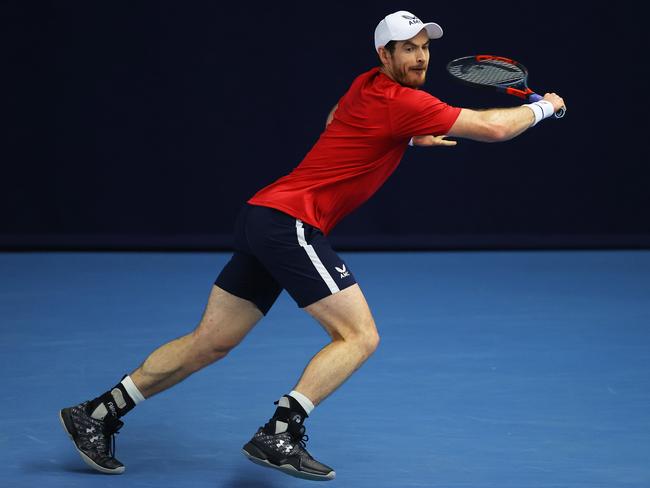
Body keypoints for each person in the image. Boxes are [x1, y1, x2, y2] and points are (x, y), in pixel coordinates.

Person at [59, 10, 565, 482]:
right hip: (290, 223)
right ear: (383, 57)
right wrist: (545, 107)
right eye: (404, 49)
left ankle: (96, 413)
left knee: (210, 342)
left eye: (422, 47)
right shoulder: (404, 100)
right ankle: (280, 432)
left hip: (262, 215)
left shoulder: (365, 87)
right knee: (360, 336)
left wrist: (408, 137)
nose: (418, 57)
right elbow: (493, 126)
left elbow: (334, 121)